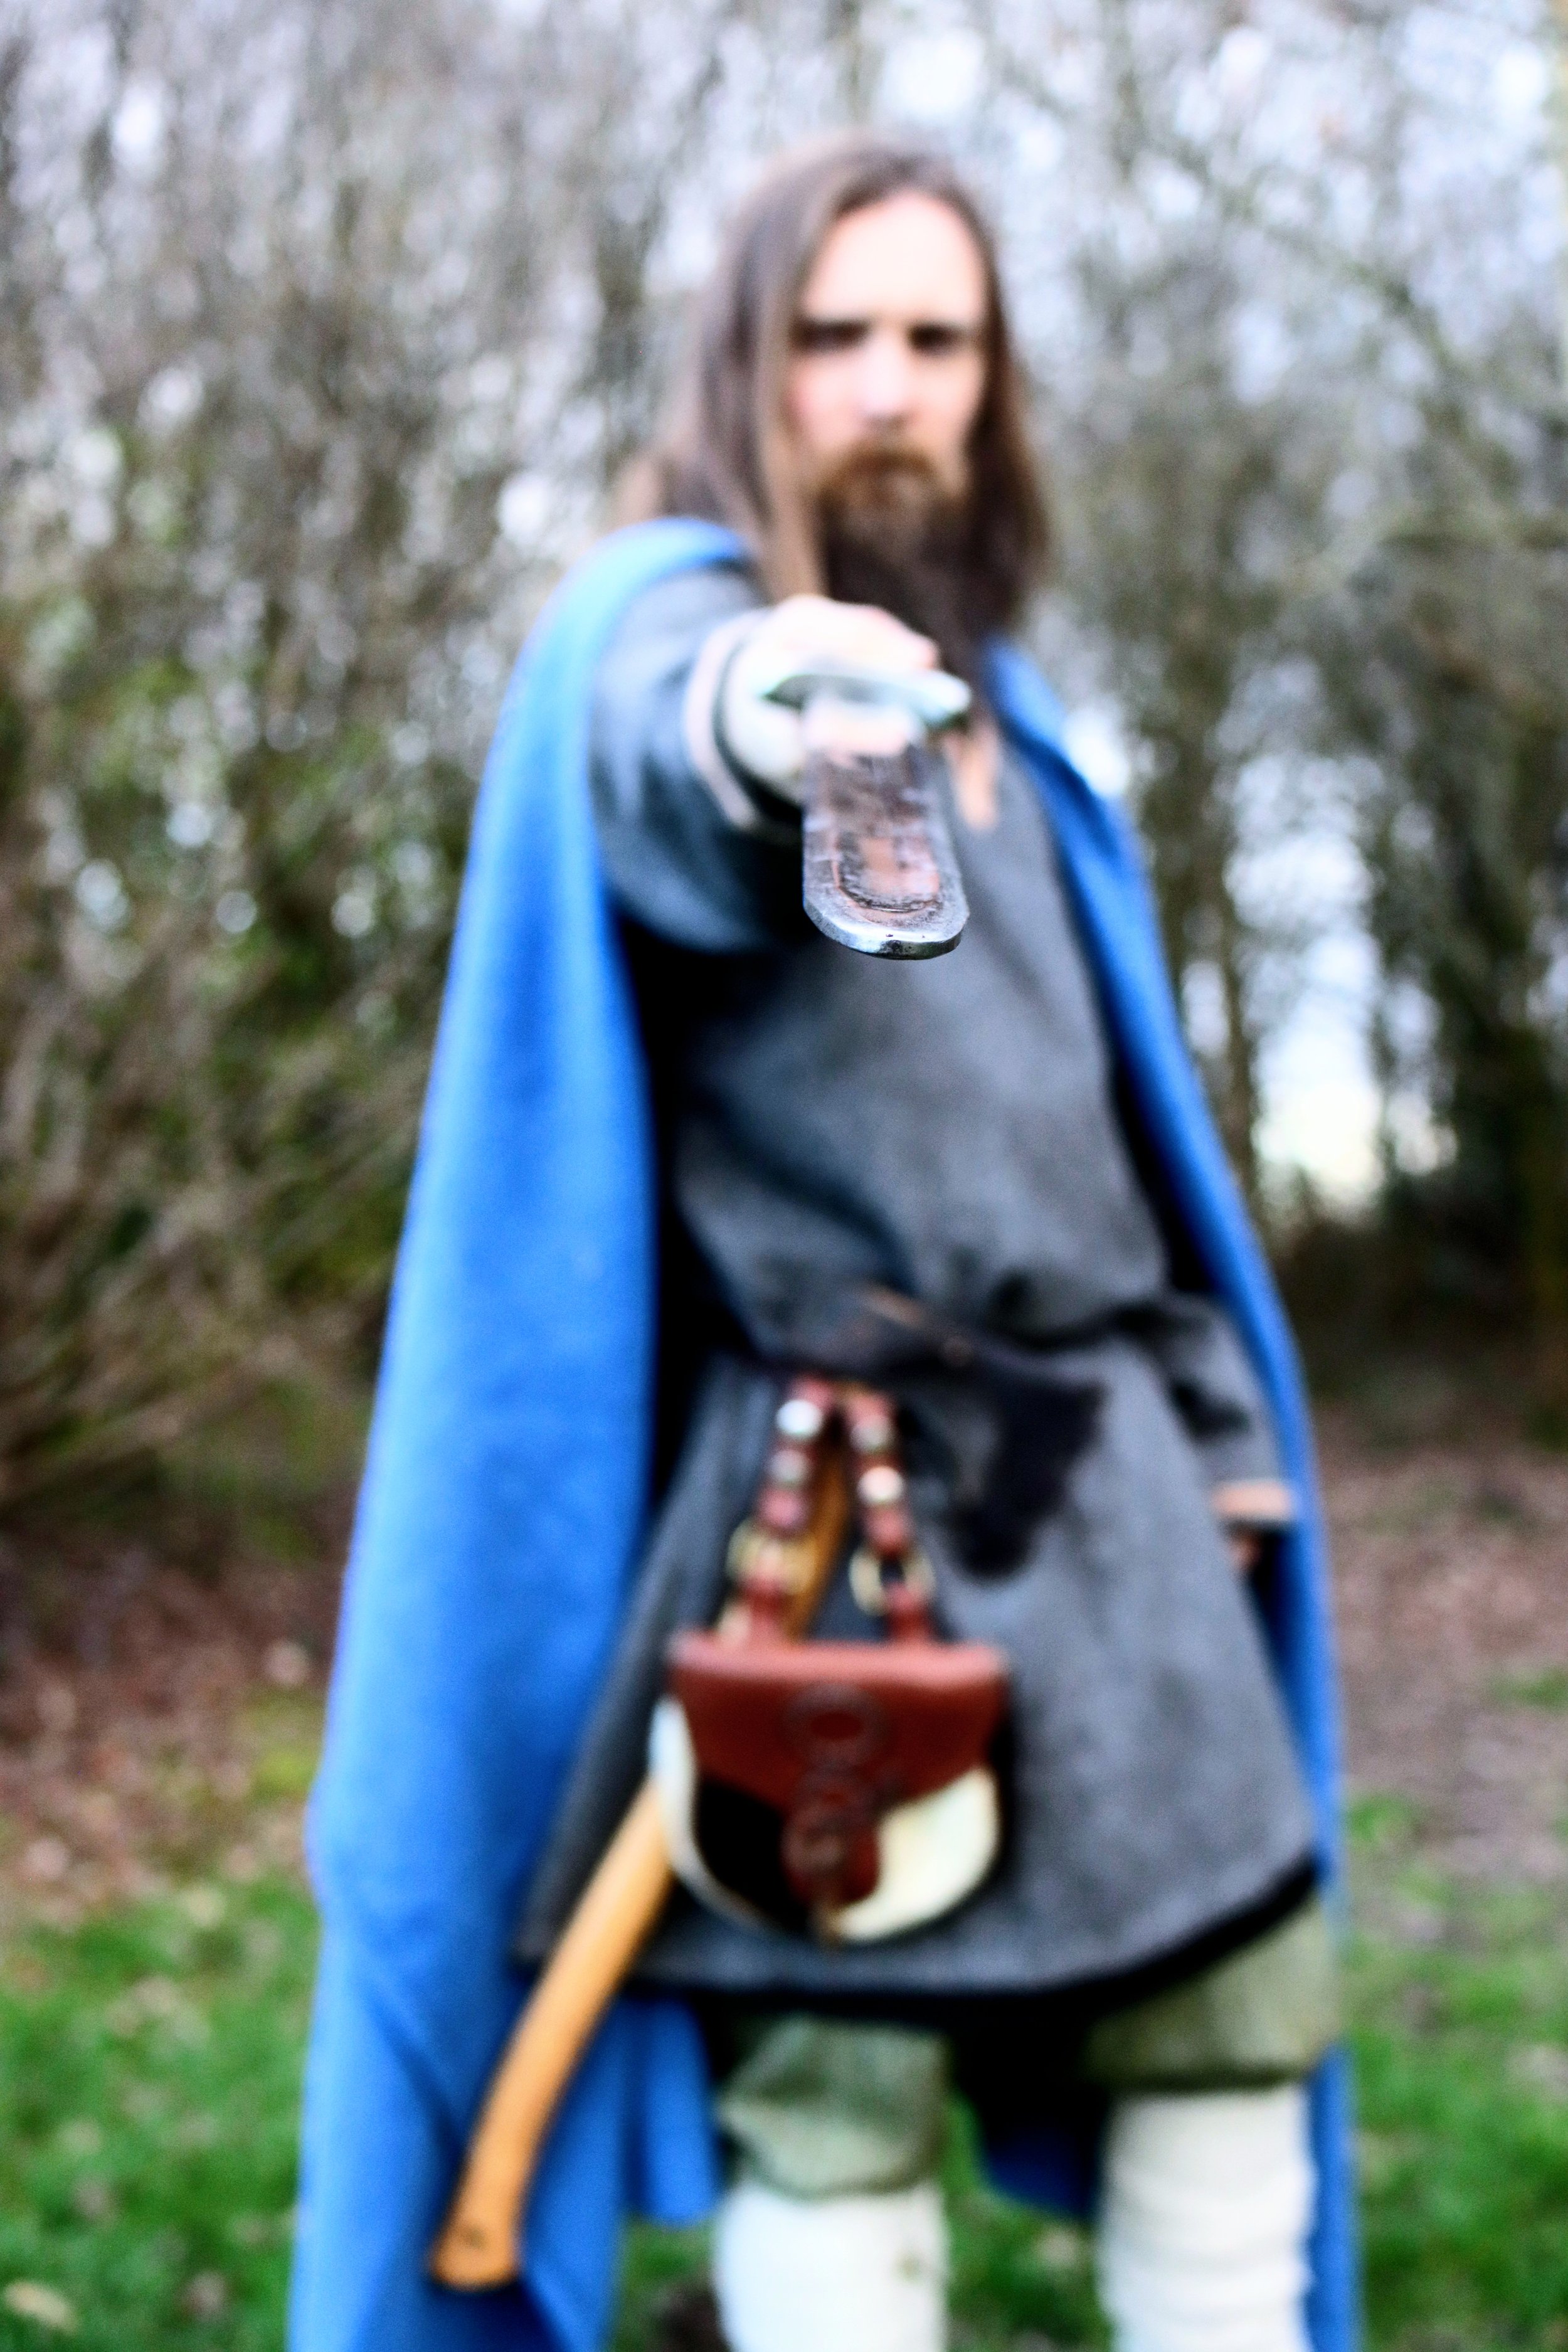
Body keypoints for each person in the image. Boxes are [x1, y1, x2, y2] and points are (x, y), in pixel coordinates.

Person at [292, 135, 1353, 2352]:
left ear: (993, 380)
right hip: (831, 1532)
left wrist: (1220, 1440)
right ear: (745, 359)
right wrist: (772, 707)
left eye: (933, 338)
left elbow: (1115, 1163)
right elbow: (671, 738)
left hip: (1115, 1500)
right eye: (831, 335)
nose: (885, 385)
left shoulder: (1025, 733)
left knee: (1233, 2042)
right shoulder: (664, 621)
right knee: (836, 2106)